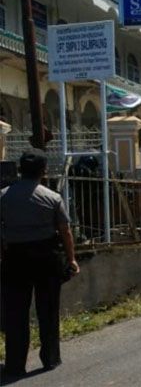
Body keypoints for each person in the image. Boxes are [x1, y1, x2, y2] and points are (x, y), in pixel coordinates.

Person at [0, 150, 80, 379]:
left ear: (19, 170)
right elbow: (65, 231)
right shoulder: (52, 197)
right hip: (46, 257)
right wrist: (71, 259)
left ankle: (15, 365)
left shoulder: (3, 196)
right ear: (43, 172)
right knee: (48, 310)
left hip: (15, 258)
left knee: (15, 313)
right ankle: (50, 358)